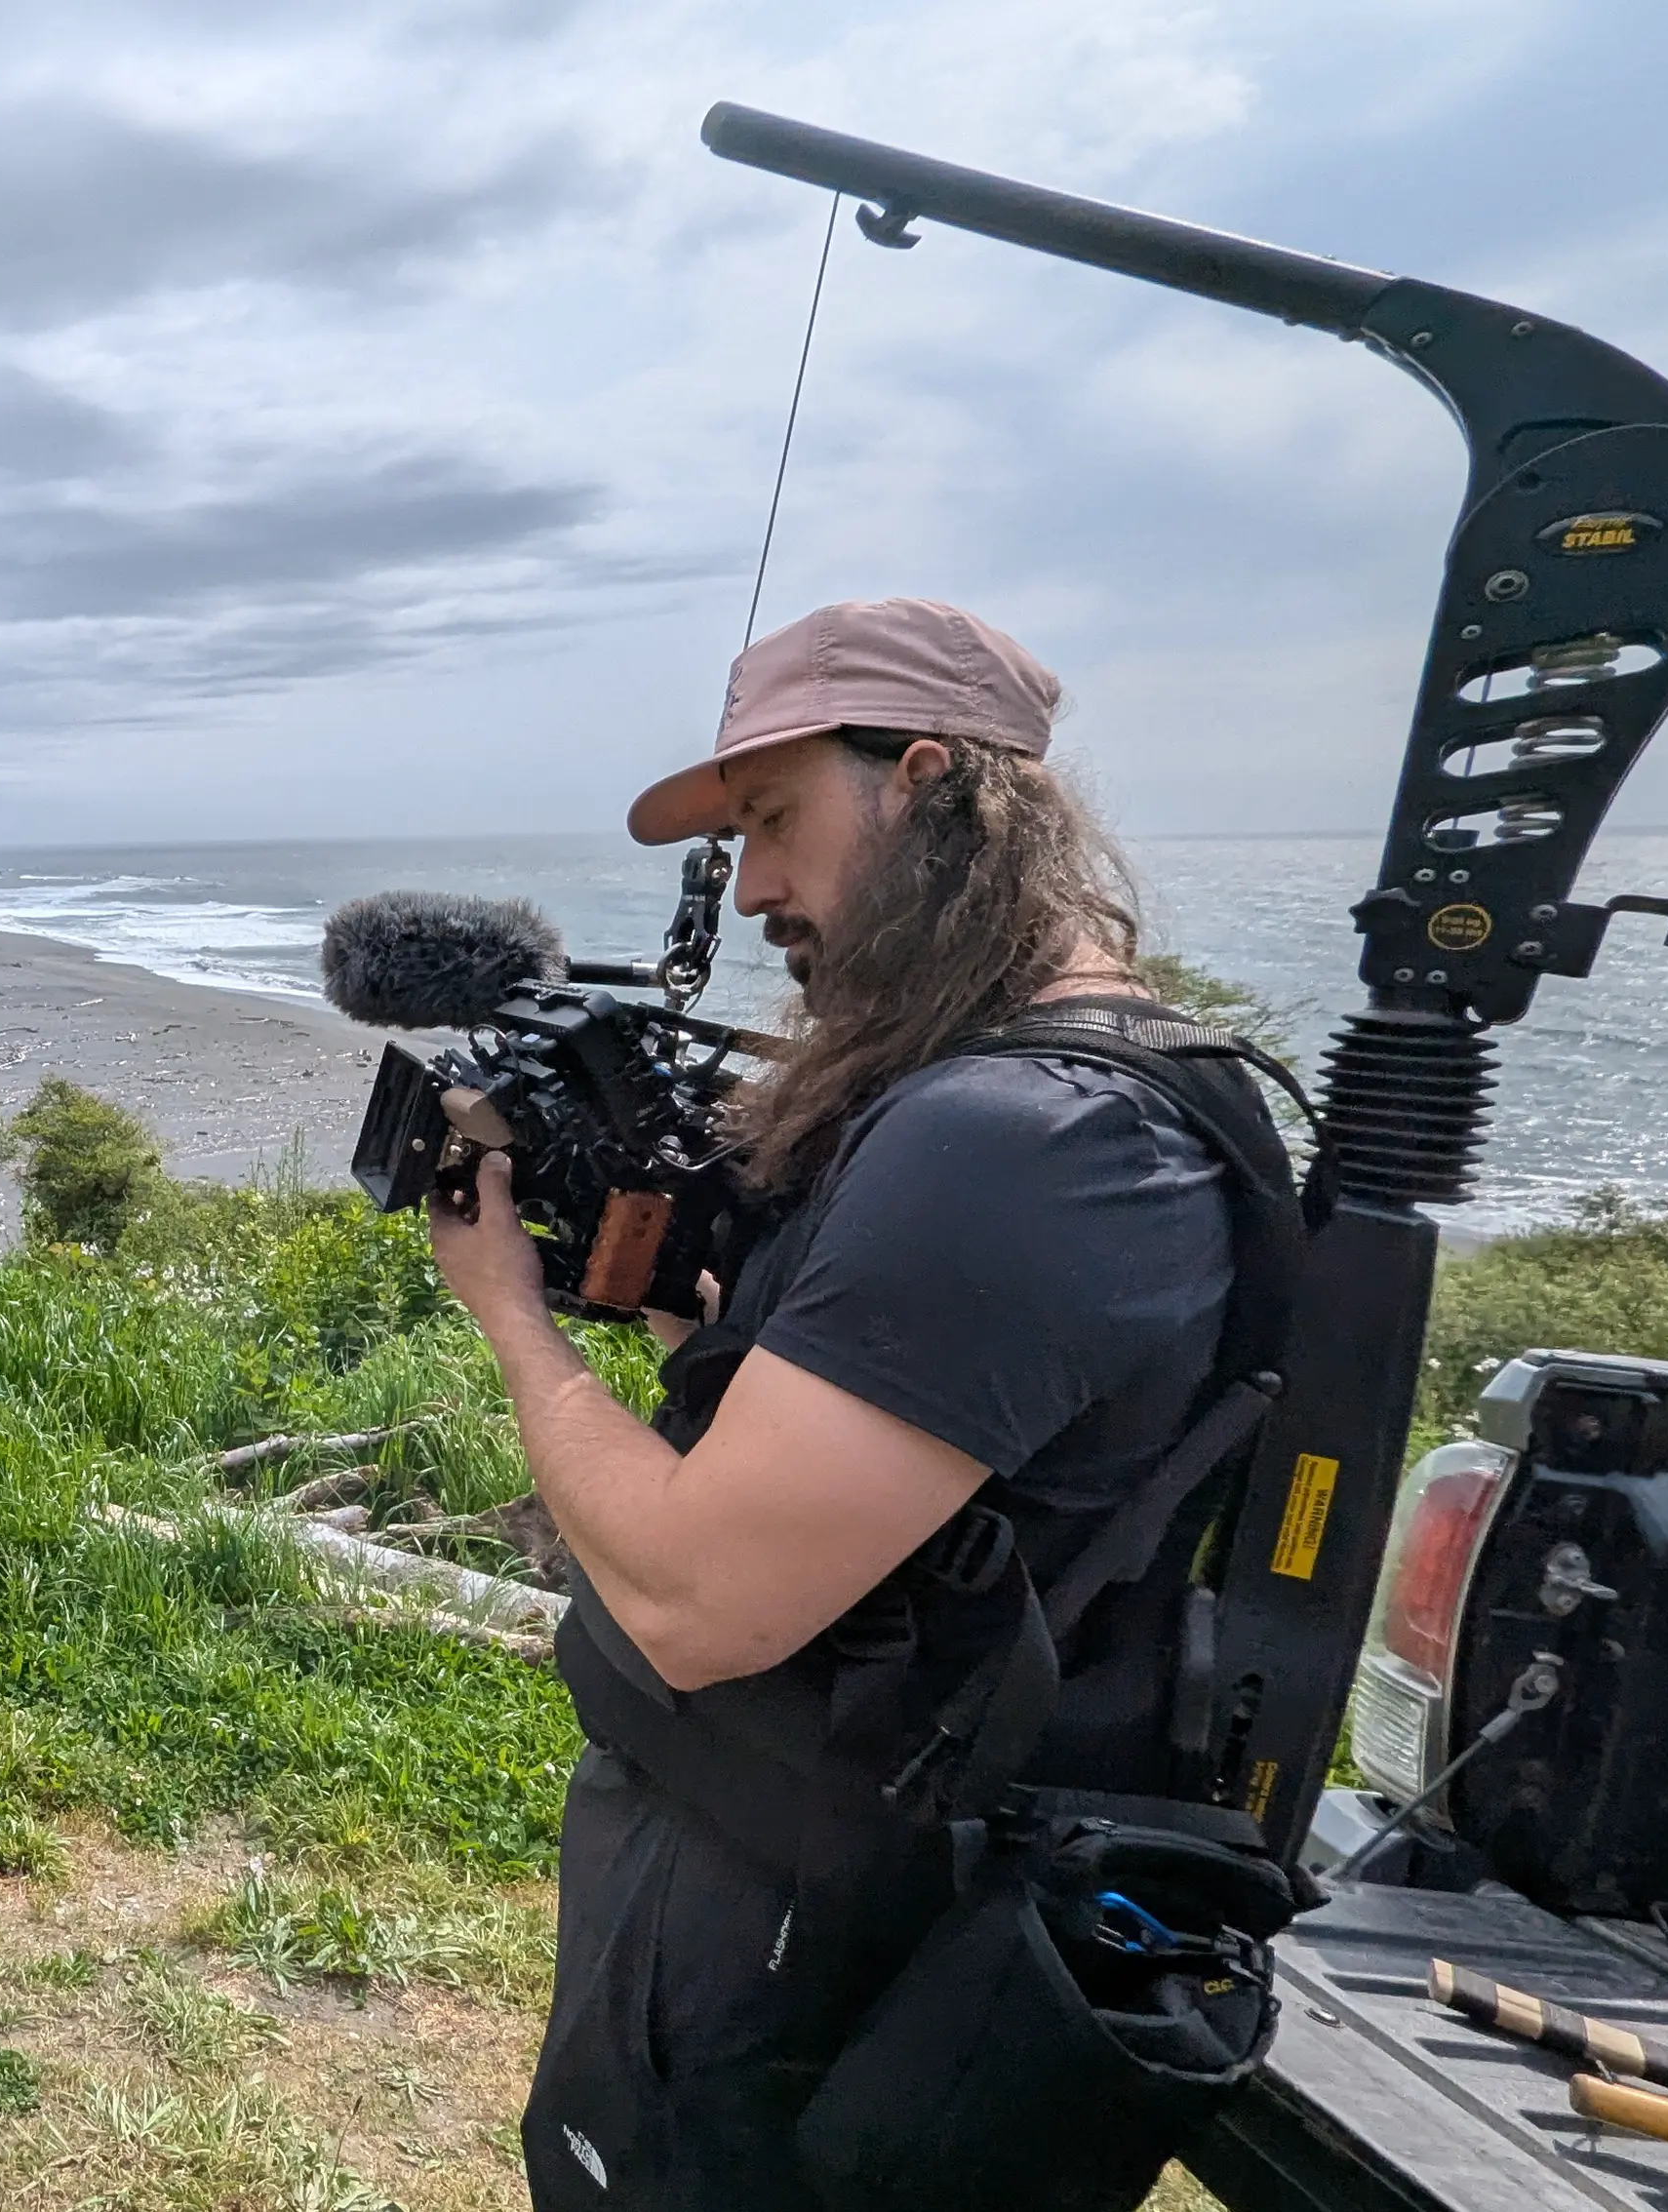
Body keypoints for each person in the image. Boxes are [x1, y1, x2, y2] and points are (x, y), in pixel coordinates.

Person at [428, 598, 1296, 2211]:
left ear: (925, 785)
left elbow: (698, 1597)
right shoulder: (1089, 1089)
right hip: (819, 1871)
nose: (752, 886)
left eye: (773, 819)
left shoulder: (1026, 1141)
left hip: (820, 1930)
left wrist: (515, 1321)